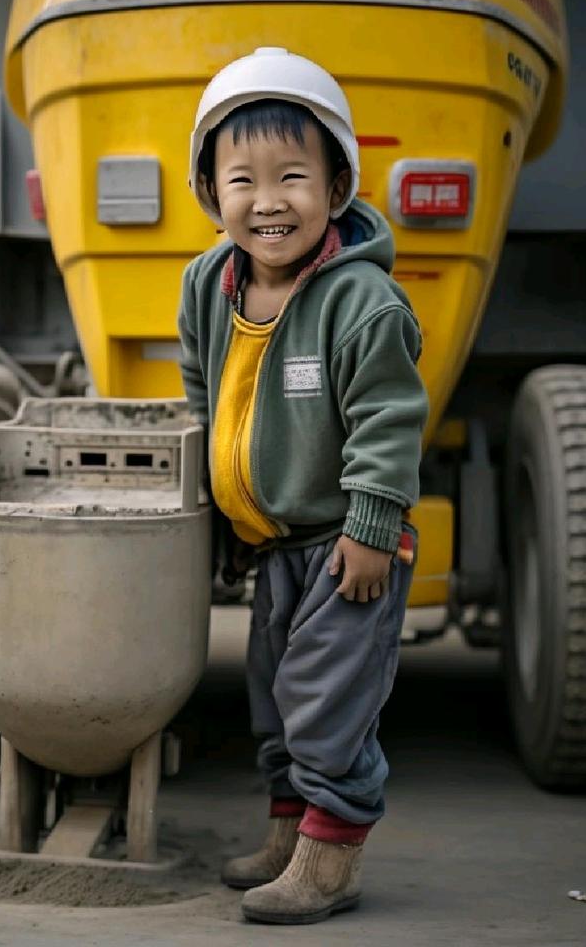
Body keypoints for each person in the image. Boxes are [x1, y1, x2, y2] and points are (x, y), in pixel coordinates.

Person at [177, 47, 429, 924]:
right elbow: (202, 391)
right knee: (276, 698)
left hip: (348, 542)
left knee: (328, 701)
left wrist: (373, 527)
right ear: (210, 190)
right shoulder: (208, 283)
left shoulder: (363, 302)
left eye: (293, 177)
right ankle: (289, 837)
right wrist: (214, 510)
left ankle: (331, 862)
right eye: (242, 180)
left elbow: (390, 418)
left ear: (337, 186)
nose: (268, 201)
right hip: (275, 541)